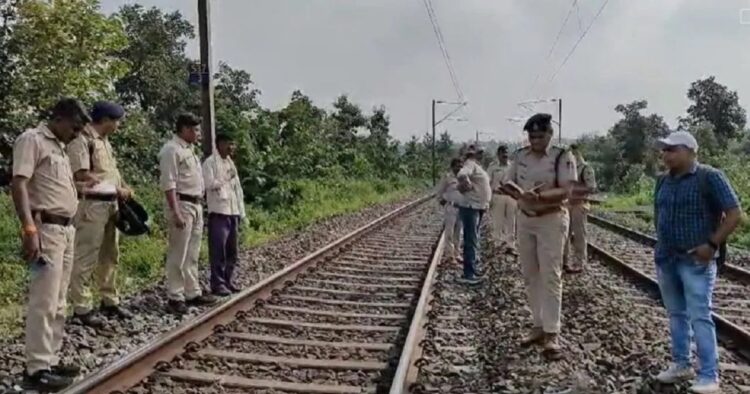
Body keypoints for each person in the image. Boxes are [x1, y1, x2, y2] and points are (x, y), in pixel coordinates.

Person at [653, 131, 741, 394]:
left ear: (691, 151)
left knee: (700, 315)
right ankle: (681, 363)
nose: (666, 154)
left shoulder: (709, 177)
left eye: (672, 149)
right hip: (667, 257)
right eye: (664, 150)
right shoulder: (662, 181)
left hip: (695, 260)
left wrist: (712, 244)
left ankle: (709, 375)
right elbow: (659, 213)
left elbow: (735, 213)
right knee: (676, 314)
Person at [11, 98, 90, 391]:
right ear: (59, 119)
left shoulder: (60, 148)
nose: (77, 133)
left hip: (65, 231)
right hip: (45, 229)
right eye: (75, 126)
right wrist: (28, 227)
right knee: (43, 300)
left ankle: (50, 358)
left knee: (59, 301)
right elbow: (19, 184)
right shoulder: (33, 140)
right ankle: (36, 368)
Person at [503, 113, 576, 357]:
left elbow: (566, 190)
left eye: (540, 135)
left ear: (550, 135)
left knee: (551, 275)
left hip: (551, 219)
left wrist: (540, 197)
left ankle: (552, 333)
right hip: (525, 219)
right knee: (530, 275)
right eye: (531, 136)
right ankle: (537, 324)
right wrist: (517, 192)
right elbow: (507, 181)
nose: (535, 140)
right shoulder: (520, 156)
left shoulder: (562, 157)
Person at [67, 101, 134, 328]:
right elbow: (82, 175)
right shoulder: (82, 141)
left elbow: (111, 171)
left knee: (110, 254)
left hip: (111, 205)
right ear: (105, 120)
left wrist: (123, 186)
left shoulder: (104, 143)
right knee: (86, 255)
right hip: (92, 205)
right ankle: (82, 306)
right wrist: (116, 189)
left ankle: (109, 299)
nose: (118, 126)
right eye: (116, 121)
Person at [159, 113, 218, 314]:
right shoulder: (171, 150)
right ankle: (175, 296)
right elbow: (169, 183)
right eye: (195, 129)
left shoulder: (190, 150)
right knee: (179, 252)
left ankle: (192, 291)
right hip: (182, 203)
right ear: (184, 129)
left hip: (195, 204)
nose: (198, 133)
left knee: (192, 253)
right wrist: (175, 212)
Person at [202, 133, 245, 296]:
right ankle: (217, 283)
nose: (231, 148)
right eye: (228, 144)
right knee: (218, 250)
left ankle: (228, 280)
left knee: (232, 251)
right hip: (219, 212)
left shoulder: (230, 163)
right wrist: (225, 177)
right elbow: (209, 184)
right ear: (219, 144)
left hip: (232, 211)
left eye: (233, 144)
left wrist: (241, 212)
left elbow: (237, 190)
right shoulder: (210, 163)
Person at [455, 145, 491, 284]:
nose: (480, 155)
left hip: (476, 206)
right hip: (471, 207)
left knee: (473, 239)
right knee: (471, 240)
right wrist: (467, 184)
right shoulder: (470, 164)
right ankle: (468, 274)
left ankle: (472, 269)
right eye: (478, 153)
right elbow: (462, 174)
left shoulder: (475, 165)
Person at [562, 143, 596, 273]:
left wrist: (574, 189)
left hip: (579, 204)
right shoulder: (567, 168)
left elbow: (591, 187)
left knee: (579, 235)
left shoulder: (585, 168)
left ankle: (579, 262)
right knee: (564, 234)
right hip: (567, 204)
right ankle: (564, 261)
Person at [488, 145, 517, 254]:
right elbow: (488, 182)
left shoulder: (512, 166)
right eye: (503, 153)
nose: (505, 155)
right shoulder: (493, 167)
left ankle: (510, 245)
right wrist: (489, 198)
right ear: (498, 155)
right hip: (498, 196)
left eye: (506, 153)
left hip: (510, 197)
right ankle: (498, 243)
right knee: (498, 220)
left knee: (511, 221)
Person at [436, 158, 464, 264]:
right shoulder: (447, 177)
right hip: (451, 207)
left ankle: (457, 254)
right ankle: (449, 255)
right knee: (449, 232)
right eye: (457, 165)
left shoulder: (464, 178)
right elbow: (440, 192)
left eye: (461, 165)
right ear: (452, 167)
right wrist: (443, 201)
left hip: (461, 207)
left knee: (458, 232)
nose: (459, 167)